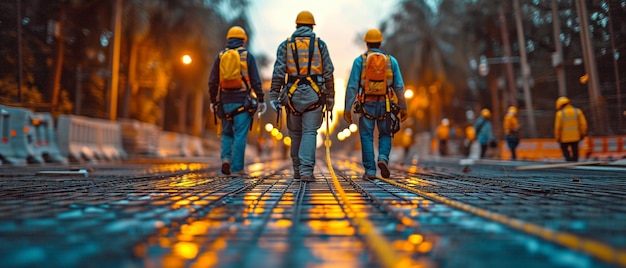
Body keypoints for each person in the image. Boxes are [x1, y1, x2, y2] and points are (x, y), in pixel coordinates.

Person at [268, 11, 335, 182]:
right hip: (314, 95)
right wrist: (331, 97)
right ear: (312, 26)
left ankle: (297, 169)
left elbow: (278, 72)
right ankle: (306, 171)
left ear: (296, 26)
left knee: (295, 133)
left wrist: (274, 95)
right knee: (309, 132)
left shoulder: (286, 45)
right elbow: (328, 72)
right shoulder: (320, 45)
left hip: (292, 96)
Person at [344, 28, 407, 179]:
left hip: (366, 105)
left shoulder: (360, 61)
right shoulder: (391, 61)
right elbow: (399, 86)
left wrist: (347, 109)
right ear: (380, 42)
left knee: (366, 136)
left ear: (366, 43)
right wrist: (403, 107)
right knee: (386, 133)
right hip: (386, 104)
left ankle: (370, 171)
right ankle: (383, 158)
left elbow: (352, 86)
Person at [208, 26, 265, 175]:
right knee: (240, 134)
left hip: (225, 102)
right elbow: (255, 81)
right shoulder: (247, 56)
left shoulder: (220, 56)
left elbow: (212, 81)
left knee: (227, 133)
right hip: (242, 103)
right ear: (243, 41)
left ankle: (226, 159)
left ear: (228, 40)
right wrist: (261, 99)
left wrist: (213, 100)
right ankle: (237, 168)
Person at [554, 96, 587, 162]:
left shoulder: (559, 114)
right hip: (576, 137)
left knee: (565, 151)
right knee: (575, 151)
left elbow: (557, 127)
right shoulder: (577, 111)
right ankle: (575, 163)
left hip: (564, 138)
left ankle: (569, 163)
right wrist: (582, 134)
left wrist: (557, 137)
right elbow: (583, 124)